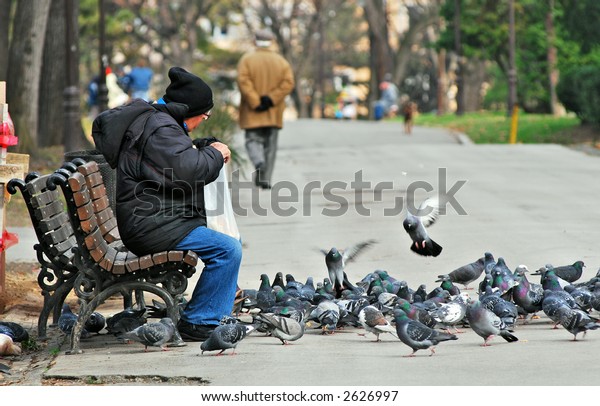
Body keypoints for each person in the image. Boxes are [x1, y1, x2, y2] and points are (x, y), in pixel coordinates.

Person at [92, 66, 241, 342]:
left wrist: (203, 147)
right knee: (228, 249)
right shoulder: (160, 128)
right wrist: (215, 153)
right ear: (189, 110)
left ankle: (205, 313)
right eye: (203, 116)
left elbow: (172, 163)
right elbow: (186, 171)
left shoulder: (156, 121)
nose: (203, 122)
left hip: (152, 219)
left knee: (224, 243)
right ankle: (199, 321)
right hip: (151, 225)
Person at [237, 29, 295, 189]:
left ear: (255, 41)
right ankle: (266, 179)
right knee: (270, 146)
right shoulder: (281, 62)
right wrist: (271, 99)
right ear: (272, 41)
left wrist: (256, 101)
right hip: (273, 112)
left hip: (252, 111)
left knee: (252, 141)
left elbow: (243, 81)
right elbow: (288, 83)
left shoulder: (247, 60)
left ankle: (258, 161)